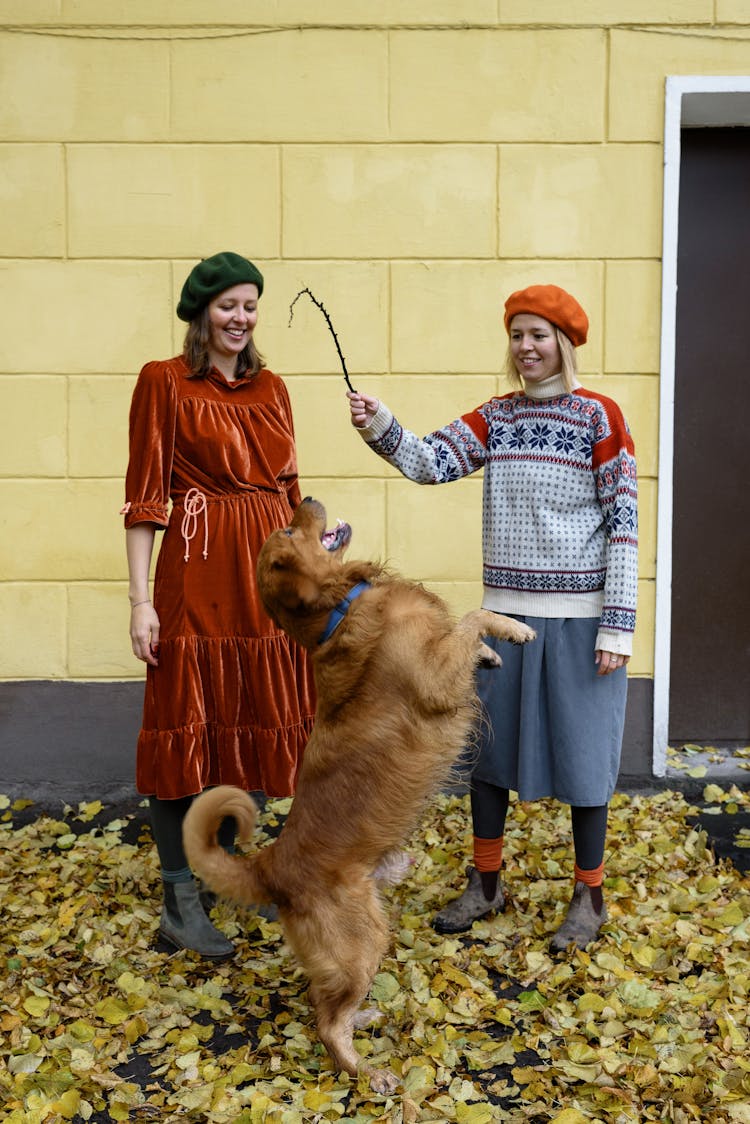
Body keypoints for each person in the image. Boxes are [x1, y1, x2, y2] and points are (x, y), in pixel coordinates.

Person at [347, 284, 637, 951]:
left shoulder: (600, 418)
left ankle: (589, 894)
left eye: (539, 335)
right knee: (489, 754)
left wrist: (618, 624)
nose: (526, 347)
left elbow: (624, 523)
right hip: (503, 617)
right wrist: (378, 423)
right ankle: (486, 883)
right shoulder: (498, 419)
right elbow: (430, 461)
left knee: (585, 757)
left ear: (562, 343)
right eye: (517, 335)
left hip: (582, 618)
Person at [122, 251, 315, 959]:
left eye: (250, 305)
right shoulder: (164, 382)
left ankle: (231, 877)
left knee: (252, 721)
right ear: (201, 311)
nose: (240, 318)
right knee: (185, 724)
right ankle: (179, 898)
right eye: (228, 305)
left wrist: (317, 548)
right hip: (197, 577)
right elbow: (145, 499)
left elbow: (292, 493)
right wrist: (142, 602)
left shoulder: (274, 389)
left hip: (265, 582)